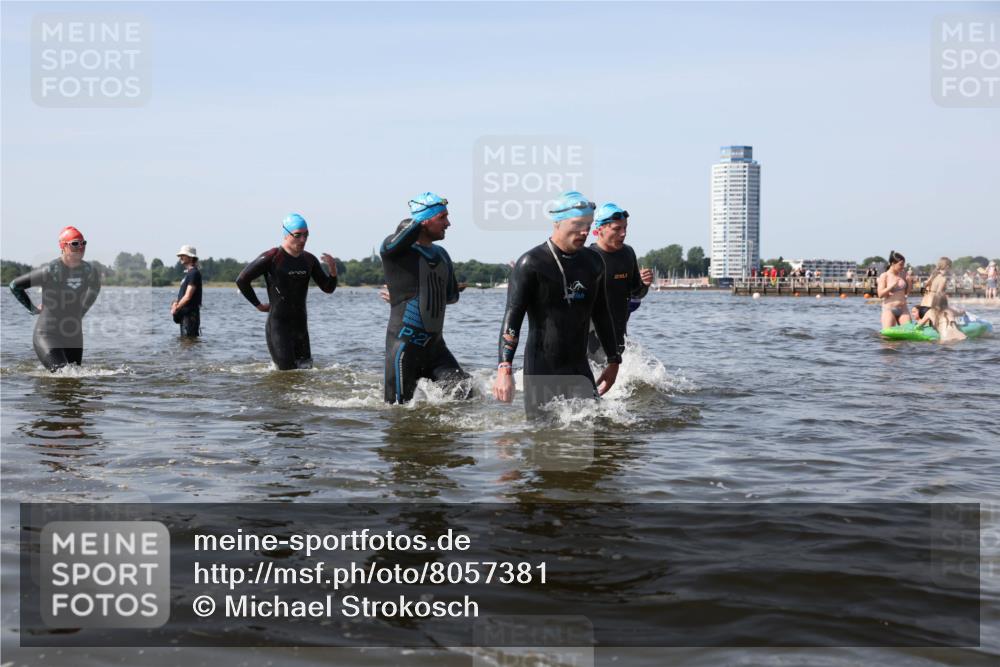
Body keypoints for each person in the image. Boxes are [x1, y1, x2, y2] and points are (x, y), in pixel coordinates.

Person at [492, 191, 621, 418]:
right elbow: (512, 318)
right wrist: (504, 368)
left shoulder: (593, 262)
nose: (585, 231)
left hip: (579, 367)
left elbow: (601, 313)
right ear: (557, 223)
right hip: (542, 368)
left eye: (588, 224)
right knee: (542, 440)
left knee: (596, 432)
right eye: (578, 224)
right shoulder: (531, 263)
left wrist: (613, 360)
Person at [380, 192, 470, 404]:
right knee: (397, 413)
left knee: (466, 394)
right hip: (404, 348)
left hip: (436, 348)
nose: (448, 223)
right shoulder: (395, 252)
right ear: (425, 220)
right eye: (442, 217)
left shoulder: (442, 255)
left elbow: (451, 297)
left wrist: (440, 290)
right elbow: (401, 236)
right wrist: (419, 217)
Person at [235, 213, 338, 370]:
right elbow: (242, 280)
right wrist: (258, 305)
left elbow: (328, 288)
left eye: (306, 235)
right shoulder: (272, 257)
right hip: (278, 327)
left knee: (305, 373)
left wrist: (333, 271)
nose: (303, 240)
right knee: (286, 374)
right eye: (297, 235)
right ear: (286, 234)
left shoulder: (309, 260)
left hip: (301, 327)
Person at [8, 226, 102, 371]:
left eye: (83, 243)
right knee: (63, 373)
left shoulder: (89, 271)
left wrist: (82, 311)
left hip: (73, 335)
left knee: (75, 377)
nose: (80, 247)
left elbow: (95, 288)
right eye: (75, 244)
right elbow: (15, 286)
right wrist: (32, 309)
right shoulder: (50, 270)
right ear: (63, 246)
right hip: (47, 334)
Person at [586, 203, 653, 363]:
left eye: (625, 228)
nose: (623, 233)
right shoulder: (588, 258)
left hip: (619, 332)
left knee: (621, 380)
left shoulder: (627, 253)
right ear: (600, 229)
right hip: (591, 337)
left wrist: (644, 284)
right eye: (617, 229)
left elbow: (636, 294)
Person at [914, 257, 966, 342]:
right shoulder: (943, 278)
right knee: (946, 312)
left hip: (923, 306)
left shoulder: (933, 275)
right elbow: (939, 294)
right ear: (947, 266)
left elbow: (924, 287)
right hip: (932, 305)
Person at [170, 245, 202, 337]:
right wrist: (174, 303)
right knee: (186, 344)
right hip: (185, 315)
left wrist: (176, 308)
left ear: (191, 257)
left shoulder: (194, 273)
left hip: (190, 316)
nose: (180, 257)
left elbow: (188, 296)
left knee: (188, 344)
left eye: (183, 255)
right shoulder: (189, 274)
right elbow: (182, 294)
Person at [877, 250, 911, 329]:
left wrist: (909, 283)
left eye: (903, 265)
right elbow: (880, 294)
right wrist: (891, 287)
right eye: (900, 265)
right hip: (889, 309)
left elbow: (906, 292)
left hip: (903, 308)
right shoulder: (884, 276)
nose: (902, 267)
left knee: (908, 333)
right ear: (893, 263)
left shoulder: (903, 274)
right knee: (888, 338)